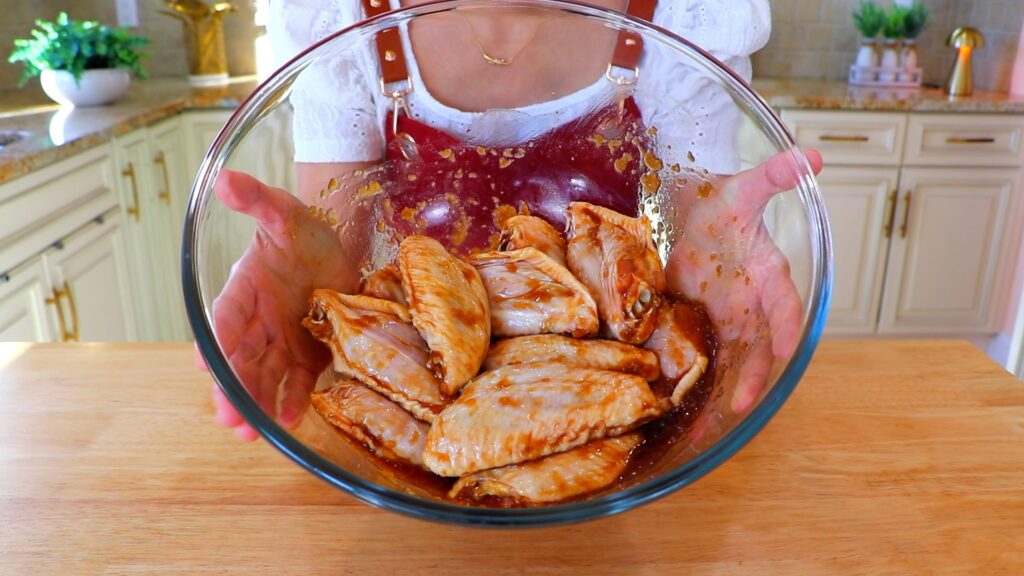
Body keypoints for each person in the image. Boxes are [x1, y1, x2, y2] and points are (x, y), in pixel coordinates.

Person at [202, 0, 824, 440]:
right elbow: (340, 231)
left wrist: (715, 261)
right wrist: (318, 289)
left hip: (605, 382)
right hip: (425, 386)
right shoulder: (338, 17)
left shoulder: (685, 15)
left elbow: (698, 226)